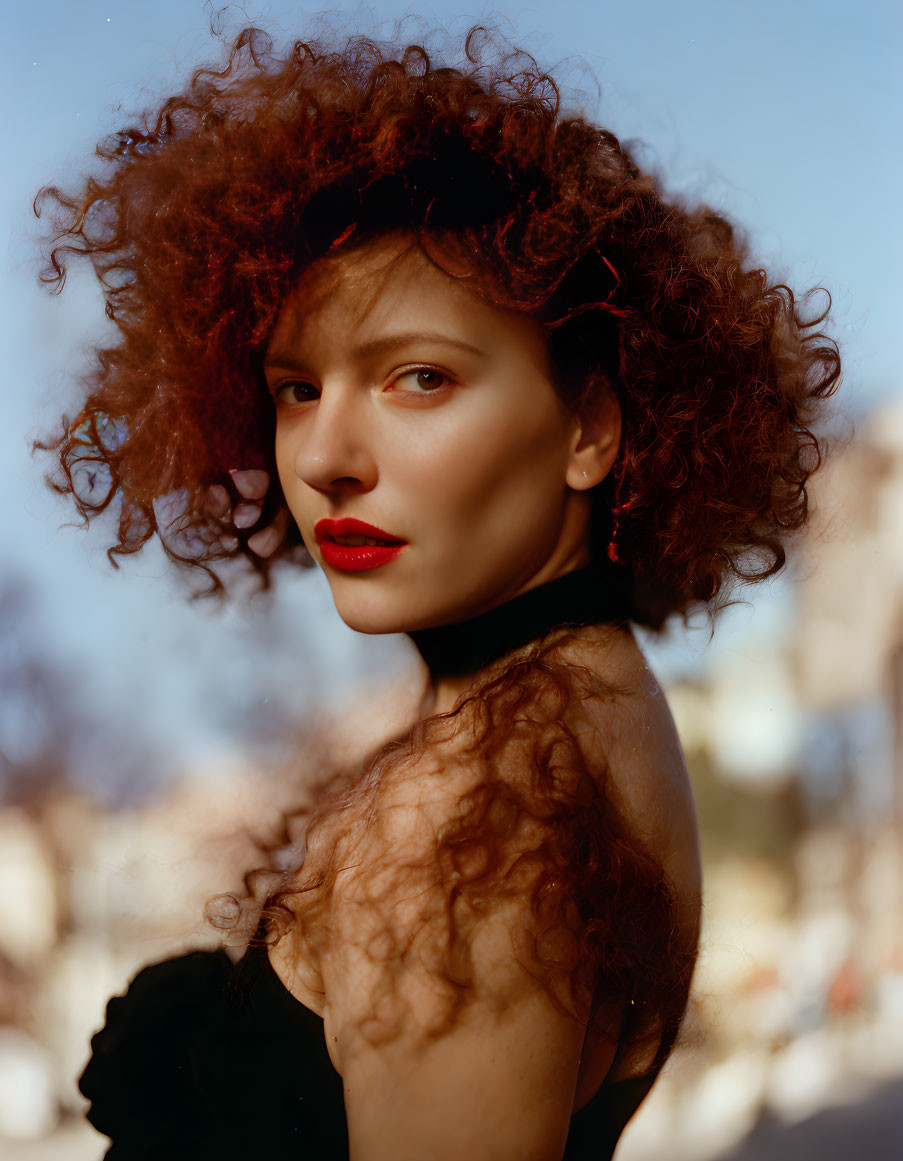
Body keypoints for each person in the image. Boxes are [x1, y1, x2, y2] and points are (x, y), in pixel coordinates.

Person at [34, 23, 840, 1161]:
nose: (325, 457)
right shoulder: (579, 708)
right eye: (298, 388)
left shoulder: (478, 815)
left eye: (420, 378)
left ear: (590, 427)